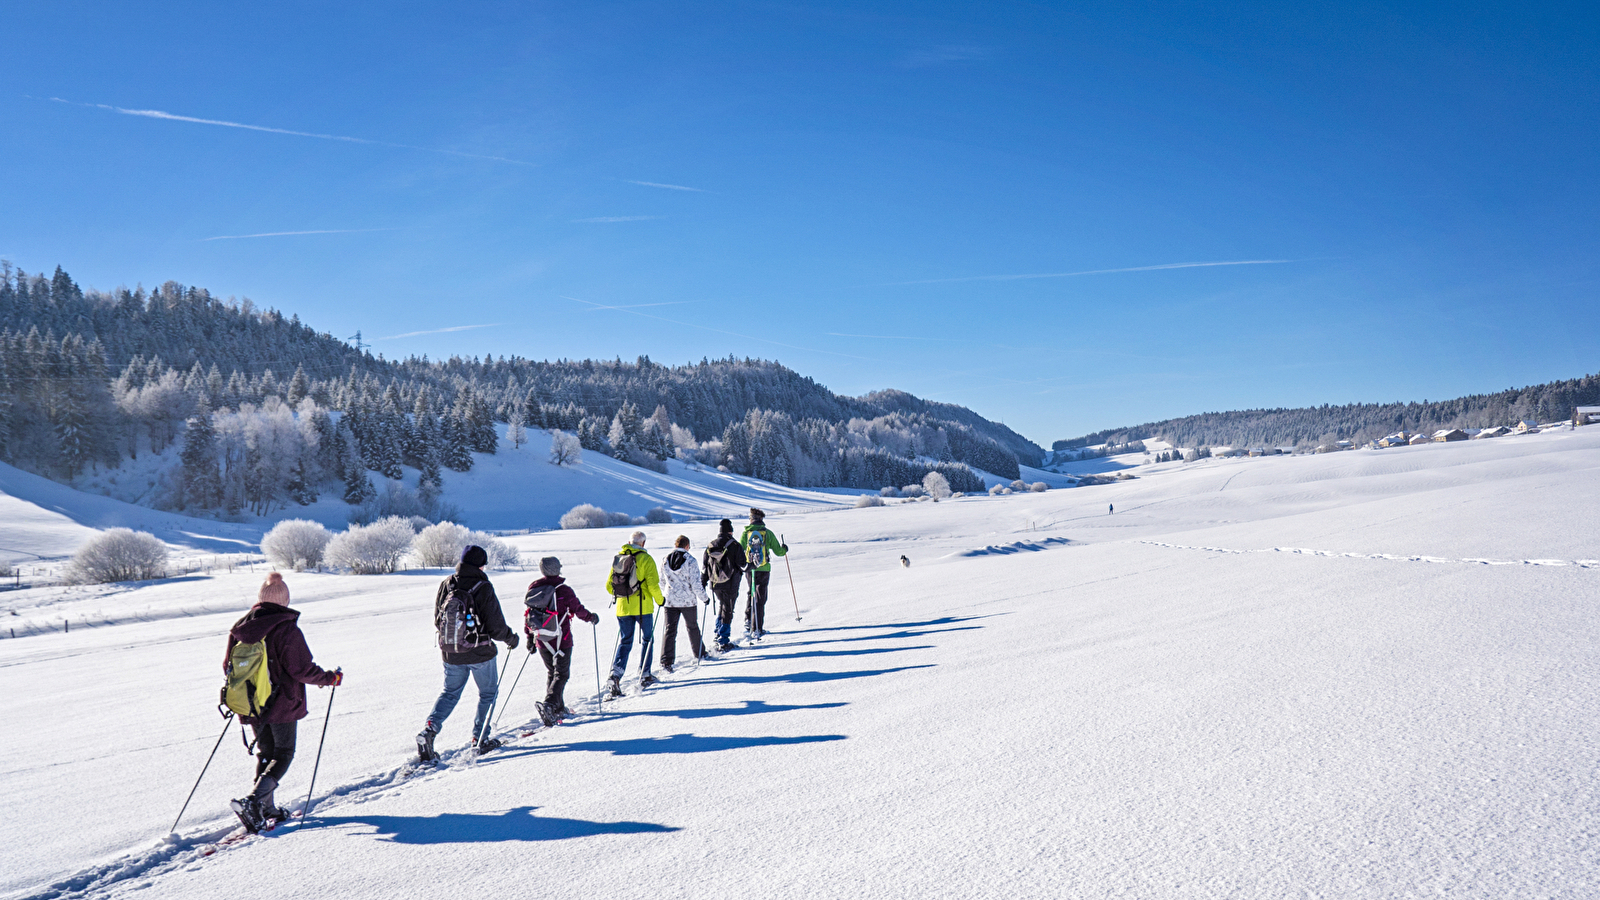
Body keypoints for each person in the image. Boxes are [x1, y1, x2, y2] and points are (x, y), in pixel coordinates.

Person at [226, 572, 341, 833]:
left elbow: (228, 666)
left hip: (251, 703)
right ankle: (255, 801)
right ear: (285, 600)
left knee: (266, 753)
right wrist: (330, 678)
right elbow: (301, 669)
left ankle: (266, 808)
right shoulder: (287, 628)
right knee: (284, 753)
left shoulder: (242, 627)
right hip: (281, 703)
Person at [417, 545, 518, 762]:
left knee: (450, 693)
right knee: (488, 694)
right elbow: (496, 625)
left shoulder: (447, 583)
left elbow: (437, 619)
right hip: (480, 653)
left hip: (451, 653)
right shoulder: (483, 586)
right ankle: (479, 739)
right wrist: (511, 638)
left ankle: (429, 730)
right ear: (480, 564)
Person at [524, 556, 598, 726]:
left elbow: (529, 614)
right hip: (561, 639)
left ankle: (558, 707)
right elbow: (578, 609)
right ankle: (550, 705)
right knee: (562, 674)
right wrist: (591, 617)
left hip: (542, 639)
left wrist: (529, 637)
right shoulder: (563, 590)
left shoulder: (534, 588)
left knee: (553, 673)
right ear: (556, 569)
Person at [602, 531, 663, 697]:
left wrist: (624, 594)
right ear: (642, 543)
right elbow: (653, 584)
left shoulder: (618, 558)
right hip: (643, 607)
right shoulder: (646, 559)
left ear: (629, 542)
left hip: (622, 608)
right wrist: (660, 600)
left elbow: (609, 586)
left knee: (625, 641)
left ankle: (615, 675)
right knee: (648, 639)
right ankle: (645, 674)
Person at [660, 535, 708, 670]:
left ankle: (666, 661)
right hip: (688, 601)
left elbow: (661, 581)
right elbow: (696, 584)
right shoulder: (691, 561)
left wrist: (669, 591)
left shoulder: (665, 559)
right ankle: (700, 653)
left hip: (670, 602)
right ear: (687, 546)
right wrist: (705, 598)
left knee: (670, 630)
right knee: (692, 627)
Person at [740, 508, 788, 639]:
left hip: (750, 569)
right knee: (760, 598)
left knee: (751, 592)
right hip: (764, 568)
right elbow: (778, 552)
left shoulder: (746, 533)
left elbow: (740, 549)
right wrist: (784, 549)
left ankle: (748, 620)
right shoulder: (767, 533)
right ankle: (758, 628)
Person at [701, 519, 747, 652]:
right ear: (730, 531)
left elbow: (705, 567)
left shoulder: (710, 546)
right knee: (728, 609)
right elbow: (742, 564)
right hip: (731, 583)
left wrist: (703, 584)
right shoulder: (735, 545)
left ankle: (718, 634)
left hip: (715, 584)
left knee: (723, 606)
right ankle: (723, 640)